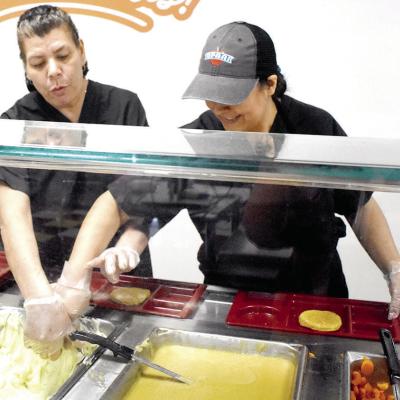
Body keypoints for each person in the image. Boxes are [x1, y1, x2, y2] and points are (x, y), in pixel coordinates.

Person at [67, 22, 400, 320]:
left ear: (269, 84)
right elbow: (116, 203)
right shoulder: (199, 140)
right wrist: (77, 281)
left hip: (315, 301)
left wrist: (393, 270)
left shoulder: (316, 128)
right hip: (227, 304)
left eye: (230, 96)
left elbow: (361, 208)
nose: (218, 107)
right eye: (210, 95)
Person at [0, 4, 148, 356]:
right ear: (26, 69)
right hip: (42, 279)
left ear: (81, 50)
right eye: (38, 64)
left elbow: (139, 195)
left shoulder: (124, 107)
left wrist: (129, 246)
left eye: (62, 55)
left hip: (114, 279)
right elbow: (11, 213)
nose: (54, 72)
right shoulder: (15, 124)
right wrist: (40, 299)